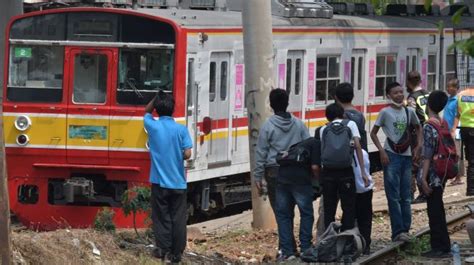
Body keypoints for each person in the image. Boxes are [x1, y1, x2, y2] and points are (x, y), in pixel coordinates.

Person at [254, 88, 309, 257]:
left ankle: (287, 249)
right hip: (298, 171)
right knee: (304, 210)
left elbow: (261, 151)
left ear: (271, 105)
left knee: (282, 213)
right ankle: (305, 247)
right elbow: (308, 146)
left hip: (275, 172)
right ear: (287, 103)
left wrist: (257, 176)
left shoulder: (268, 126)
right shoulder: (299, 124)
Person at [145, 91, 193, 263]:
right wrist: (179, 155)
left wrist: (156, 99)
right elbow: (187, 153)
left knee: (161, 217)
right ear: (173, 110)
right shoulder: (181, 130)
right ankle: (177, 253)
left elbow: (146, 111)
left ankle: (164, 251)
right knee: (178, 218)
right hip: (178, 183)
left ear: (157, 110)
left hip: (159, 183)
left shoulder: (153, 126)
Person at [370, 82, 422, 242]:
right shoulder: (385, 112)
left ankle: (405, 229)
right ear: (389, 95)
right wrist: (381, 150)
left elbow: (418, 127)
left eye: (401, 92)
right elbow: (373, 133)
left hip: (406, 156)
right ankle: (397, 231)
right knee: (393, 196)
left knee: (406, 195)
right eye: (395, 93)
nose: (399, 95)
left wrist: (418, 146)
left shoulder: (409, 111)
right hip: (391, 155)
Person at [317, 103, 368, 231]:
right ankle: (347, 238)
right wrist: (363, 172)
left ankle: (330, 238)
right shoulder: (350, 125)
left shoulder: (323, 129)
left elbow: (322, 150)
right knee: (348, 206)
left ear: (327, 117)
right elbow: (357, 147)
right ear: (343, 114)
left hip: (328, 172)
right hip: (346, 171)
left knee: (329, 208)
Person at [419, 91, 452, 258]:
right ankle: (444, 245)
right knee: (438, 208)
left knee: (434, 211)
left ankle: (438, 247)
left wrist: (423, 179)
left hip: (433, 174)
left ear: (428, 105)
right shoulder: (442, 122)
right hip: (443, 170)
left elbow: (427, 156)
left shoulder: (428, 125)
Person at [275, 137, 319, 260]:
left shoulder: (301, 144)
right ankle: (305, 248)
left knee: (284, 216)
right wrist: (320, 182)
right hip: (300, 181)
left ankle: (287, 251)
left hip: (282, 179)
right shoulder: (317, 144)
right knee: (306, 213)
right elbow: (315, 167)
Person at [406, 70, 430, 204]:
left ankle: (416, 192)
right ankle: (426, 189)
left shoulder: (411, 98)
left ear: (409, 82)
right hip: (430, 130)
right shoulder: (428, 94)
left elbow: (411, 117)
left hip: (417, 133)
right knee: (426, 160)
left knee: (415, 163)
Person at [452, 86, 474, 196]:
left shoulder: (461, 95)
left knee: (471, 160)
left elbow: (458, 114)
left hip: (465, 130)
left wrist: (453, 129)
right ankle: (471, 189)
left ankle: (470, 189)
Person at [334, 82, 368, 151]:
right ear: (353, 96)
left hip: (347, 154)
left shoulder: (340, 116)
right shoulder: (360, 115)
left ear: (336, 97)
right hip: (361, 151)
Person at [353, 148, 374, 255]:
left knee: (350, 218)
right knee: (365, 219)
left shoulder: (343, 153)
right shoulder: (364, 153)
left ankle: (352, 245)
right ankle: (366, 246)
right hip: (365, 189)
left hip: (350, 190)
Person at [444, 79, 465, 186]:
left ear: (456, 88)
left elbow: (458, 115)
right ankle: (455, 175)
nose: (448, 89)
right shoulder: (448, 99)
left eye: (450, 87)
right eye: (447, 86)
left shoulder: (457, 100)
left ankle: (458, 176)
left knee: (457, 153)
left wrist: (453, 128)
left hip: (455, 130)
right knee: (451, 153)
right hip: (447, 130)